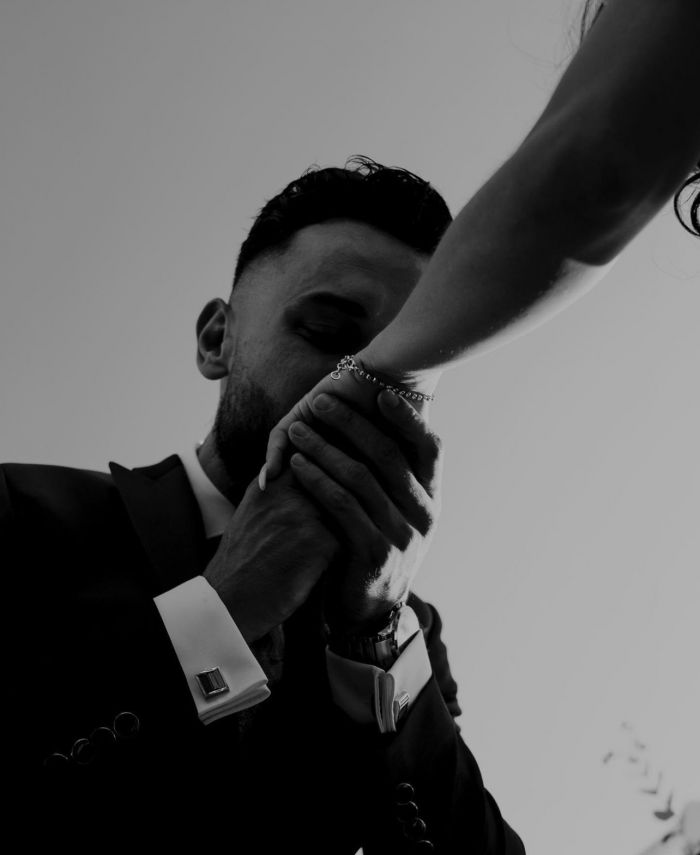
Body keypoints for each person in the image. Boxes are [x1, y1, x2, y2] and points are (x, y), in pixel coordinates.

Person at [3, 2, 699, 853]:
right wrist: (221, 611)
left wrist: (374, 644)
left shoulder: (408, 642)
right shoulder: (23, 515)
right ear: (217, 340)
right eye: (328, 331)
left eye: (409, 363)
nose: (356, 385)